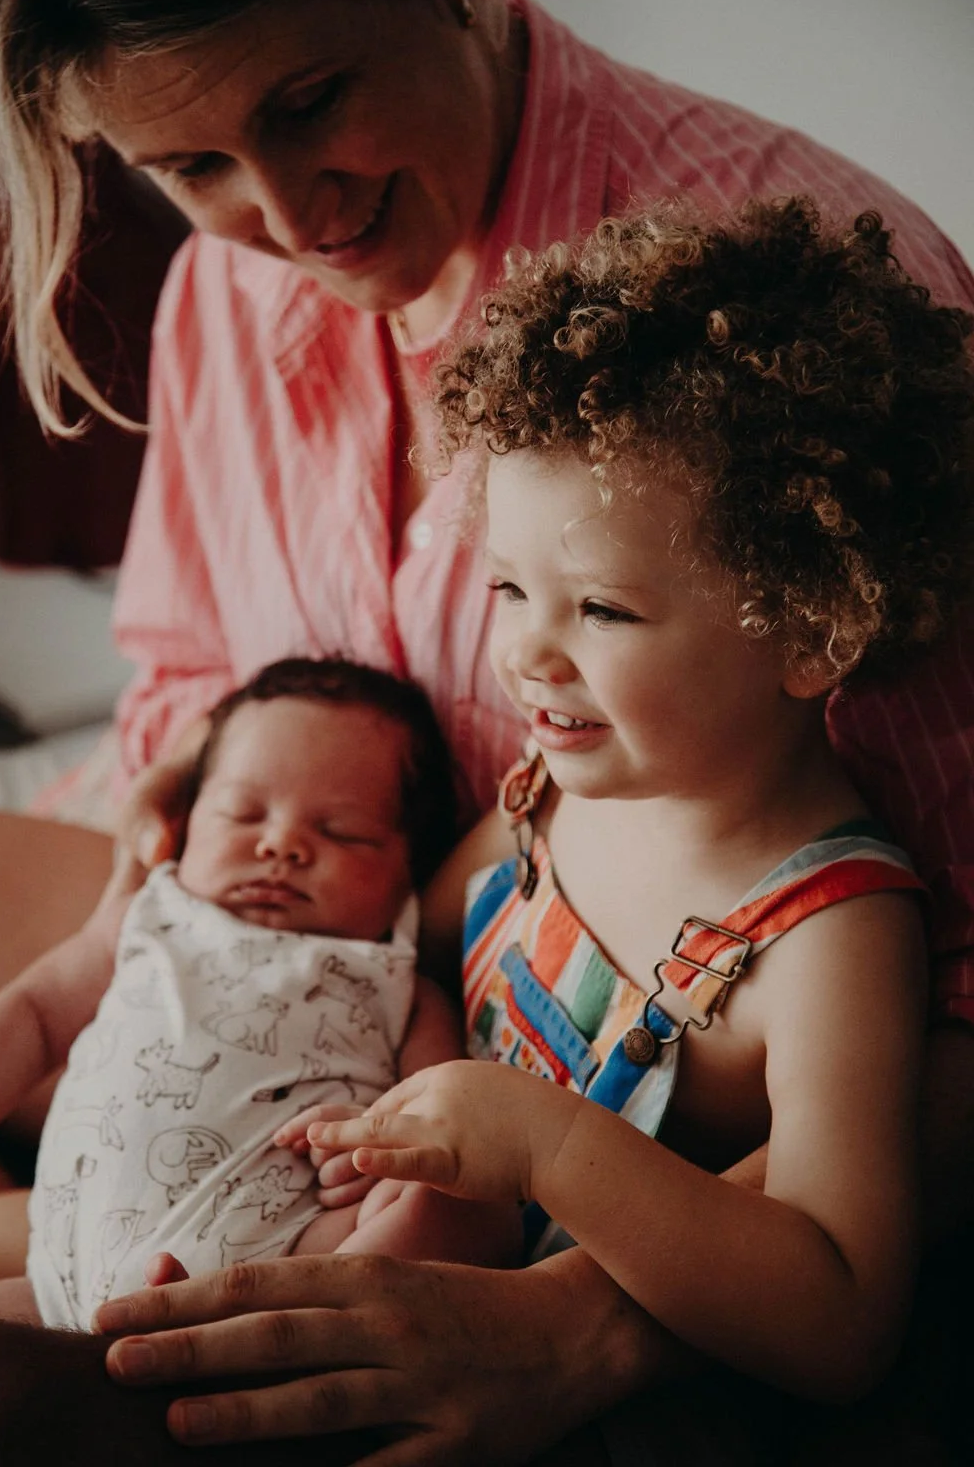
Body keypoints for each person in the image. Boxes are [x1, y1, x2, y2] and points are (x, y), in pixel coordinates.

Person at [0, 0, 973, 1460]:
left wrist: (588, 1326)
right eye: (190, 168)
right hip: (342, 1045)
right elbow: (182, 675)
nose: (285, 221)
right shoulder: (224, 304)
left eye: (312, 99)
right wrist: (189, 814)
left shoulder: (798, 335)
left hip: (528, 1185)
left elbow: (932, 1032)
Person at [261, 194, 974, 1399]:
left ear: (808, 632)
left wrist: (543, 1146)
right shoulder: (559, 785)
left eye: (600, 609)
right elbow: (404, 954)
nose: (531, 654)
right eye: (504, 588)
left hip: (521, 1380)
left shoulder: (832, 932)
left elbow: (842, 1314)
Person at [0, 656, 516, 1327]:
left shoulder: (399, 985)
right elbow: (35, 1015)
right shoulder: (143, 920)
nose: (280, 844)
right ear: (184, 824)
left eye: (341, 832)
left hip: (284, 1270)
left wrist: (379, 1149)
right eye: (242, 813)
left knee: (435, 1207)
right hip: (54, 1288)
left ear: (407, 877)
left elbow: (438, 1119)